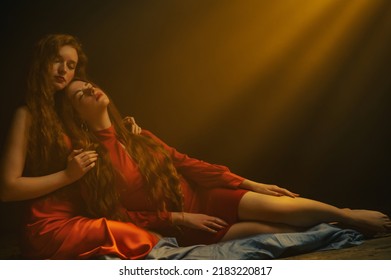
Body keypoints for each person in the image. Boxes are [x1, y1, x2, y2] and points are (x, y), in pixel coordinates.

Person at [29, 78, 388, 253]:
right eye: (80, 95)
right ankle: (337, 224)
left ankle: (349, 215)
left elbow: (190, 165)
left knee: (282, 208)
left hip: (208, 196)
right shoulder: (90, 159)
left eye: (89, 84)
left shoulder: (138, 133)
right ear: (76, 115)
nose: (90, 90)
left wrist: (250, 183)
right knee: (270, 230)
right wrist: (180, 220)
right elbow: (119, 214)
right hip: (190, 224)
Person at [0, 34, 156, 259]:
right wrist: (67, 175)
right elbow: (7, 189)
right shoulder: (27, 115)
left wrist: (122, 131)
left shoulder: (68, 110)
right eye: (57, 60)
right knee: (136, 238)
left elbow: (97, 140)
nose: (63, 69)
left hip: (81, 215)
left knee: (145, 237)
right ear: (41, 63)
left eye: (71, 65)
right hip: (48, 224)